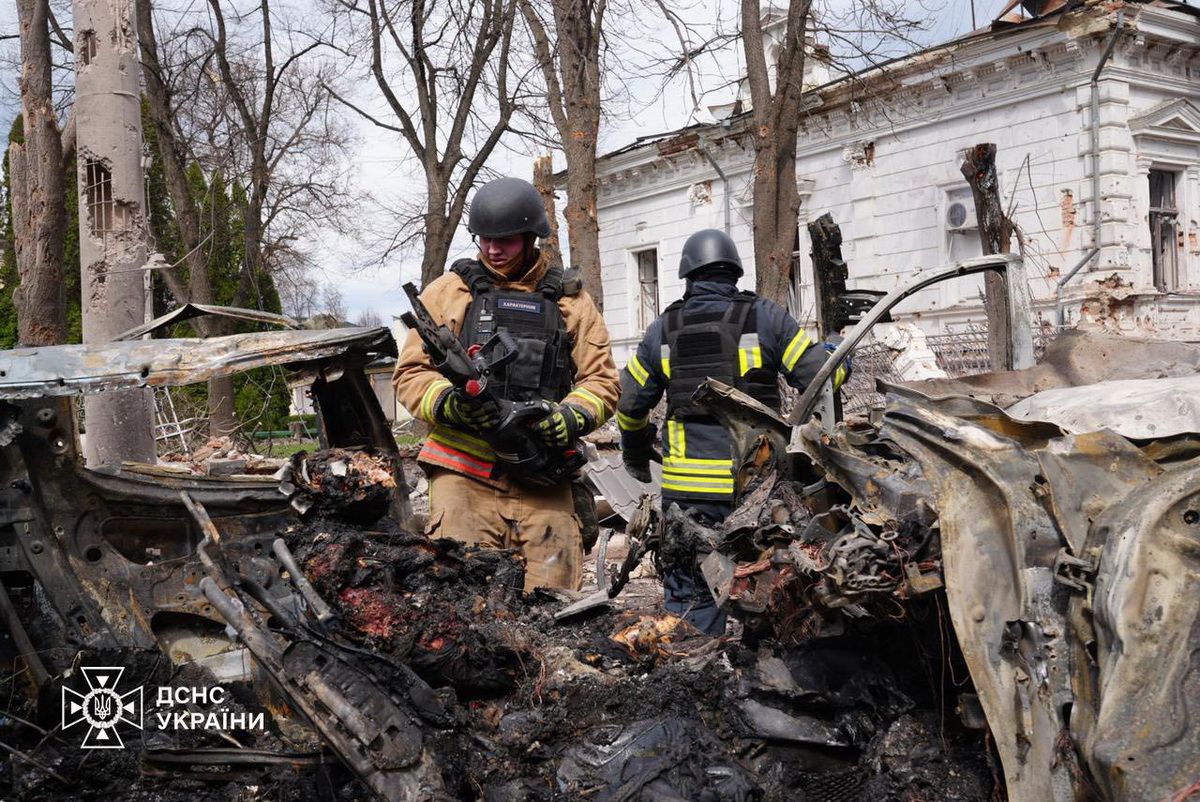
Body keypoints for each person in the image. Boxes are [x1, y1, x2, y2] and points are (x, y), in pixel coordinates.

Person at [616, 229, 848, 635]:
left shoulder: (662, 329)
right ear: (735, 273)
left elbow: (630, 406)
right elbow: (821, 380)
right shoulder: (766, 317)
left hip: (688, 497)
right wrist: (838, 354)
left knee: (692, 600)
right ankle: (763, 661)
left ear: (688, 275)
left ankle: (695, 662)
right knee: (769, 591)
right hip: (755, 493)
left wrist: (635, 453)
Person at [393, 177, 619, 592]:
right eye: (485, 239)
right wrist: (447, 403)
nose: (493, 249)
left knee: (554, 604)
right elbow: (411, 373)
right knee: (461, 599)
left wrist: (571, 416)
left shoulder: (570, 301)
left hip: (543, 476)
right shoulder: (449, 292)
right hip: (464, 470)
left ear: (532, 238)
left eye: (506, 240)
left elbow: (601, 379)